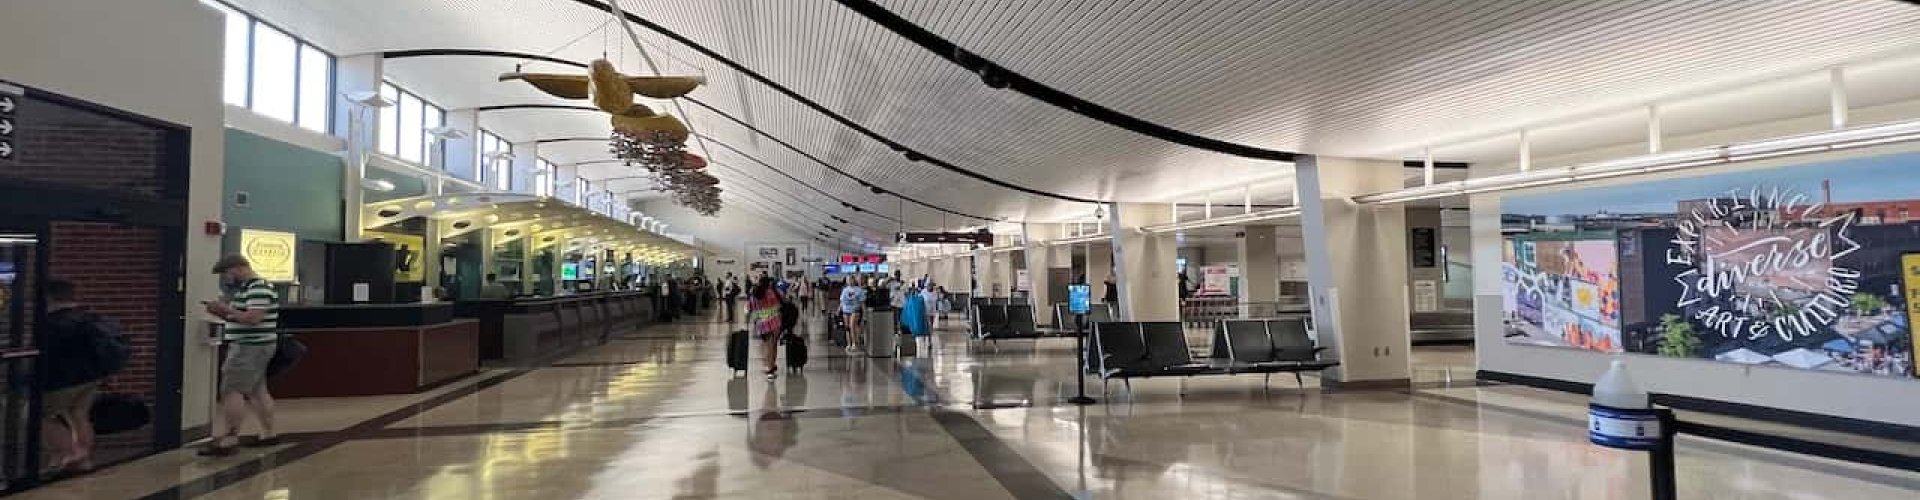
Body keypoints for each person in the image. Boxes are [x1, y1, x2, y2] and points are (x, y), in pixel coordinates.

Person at [38, 279, 126, 476]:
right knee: (79, 414)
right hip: (91, 378)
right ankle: (83, 458)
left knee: (39, 415)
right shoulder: (89, 318)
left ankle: (68, 452)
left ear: (48, 297)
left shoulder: (51, 323)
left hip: (62, 381)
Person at [202, 255, 281, 457]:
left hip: (249, 348)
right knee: (257, 390)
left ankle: (229, 439)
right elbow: (241, 318)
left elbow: (253, 318)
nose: (228, 278)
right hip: (256, 347)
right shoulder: (249, 289)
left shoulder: (257, 288)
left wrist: (224, 308)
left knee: (231, 390)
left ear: (237, 269)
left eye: (227, 273)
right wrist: (221, 312)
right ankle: (268, 434)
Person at [746, 278, 784, 379]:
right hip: (775, 323)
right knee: (773, 345)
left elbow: (748, 309)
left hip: (762, 325)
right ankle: (772, 366)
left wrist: (747, 322)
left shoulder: (754, 294)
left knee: (768, 346)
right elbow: (779, 305)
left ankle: (770, 367)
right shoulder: (771, 293)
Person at [838, 276, 867, 353]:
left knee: (852, 326)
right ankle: (848, 343)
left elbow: (862, 303)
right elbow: (842, 301)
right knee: (847, 327)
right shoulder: (845, 290)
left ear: (854, 280)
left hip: (855, 310)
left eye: (851, 280)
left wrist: (864, 314)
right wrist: (839, 309)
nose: (850, 281)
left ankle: (854, 343)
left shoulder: (859, 290)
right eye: (848, 280)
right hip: (845, 310)